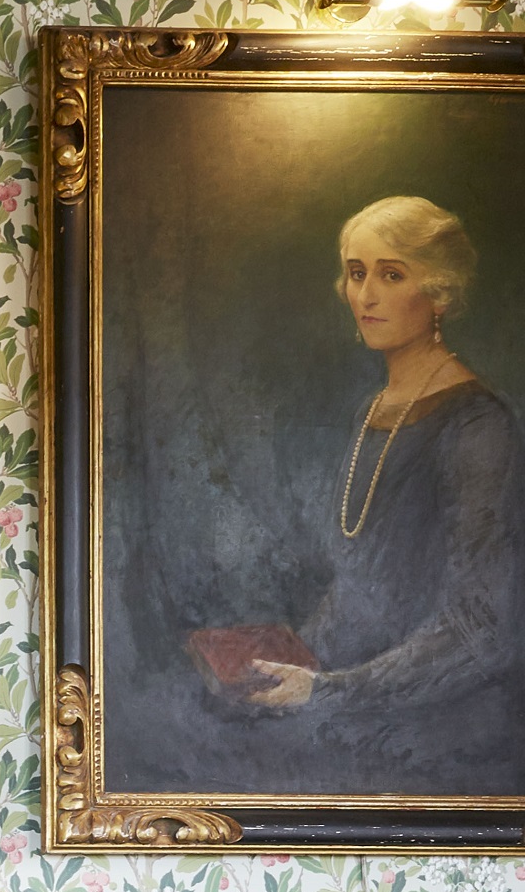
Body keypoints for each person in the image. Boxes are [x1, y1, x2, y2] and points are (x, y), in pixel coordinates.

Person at [212, 195, 525, 792]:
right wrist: (288, 658)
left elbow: (479, 629)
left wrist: (327, 689)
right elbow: (363, 579)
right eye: (357, 273)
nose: (367, 295)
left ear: (439, 291)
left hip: (442, 735)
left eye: (391, 273)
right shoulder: (372, 412)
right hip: (351, 705)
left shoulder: (478, 426)